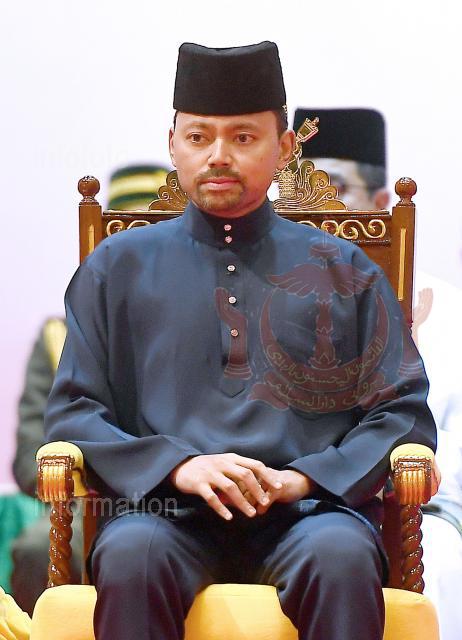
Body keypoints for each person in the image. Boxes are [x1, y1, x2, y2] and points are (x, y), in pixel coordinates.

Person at [45, 43, 437, 640]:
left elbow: (402, 413)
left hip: (311, 513)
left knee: (340, 556)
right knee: (132, 555)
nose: (218, 156)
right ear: (173, 144)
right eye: (198, 137)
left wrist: (305, 479)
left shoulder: (343, 268)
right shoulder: (116, 268)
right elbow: (74, 411)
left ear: (285, 147)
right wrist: (180, 466)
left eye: (244, 137)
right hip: (165, 510)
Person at [293, 106, 462, 640]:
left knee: (437, 562)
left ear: (382, 204)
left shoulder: (449, 311)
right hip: (294, 506)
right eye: (299, 190)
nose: (316, 206)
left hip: (422, 510)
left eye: (334, 187)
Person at [10, 164, 169, 616]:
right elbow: (32, 456)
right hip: (94, 496)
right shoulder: (60, 336)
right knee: (39, 547)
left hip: (186, 494)